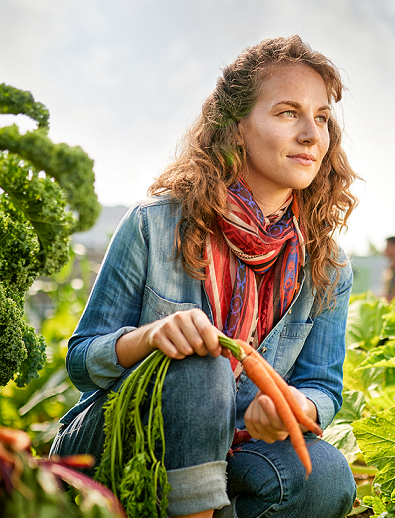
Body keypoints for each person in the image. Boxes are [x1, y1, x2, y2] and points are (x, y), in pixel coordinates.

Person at [50, 36, 359, 518]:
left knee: (326, 479)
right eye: (287, 113)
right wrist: (149, 339)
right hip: (124, 441)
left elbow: (323, 385)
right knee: (200, 362)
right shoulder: (157, 224)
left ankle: (208, 505)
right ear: (237, 127)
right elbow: (82, 361)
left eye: (321, 117)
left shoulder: (326, 264)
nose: (311, 134)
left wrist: (295, 404)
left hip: (238, 446)